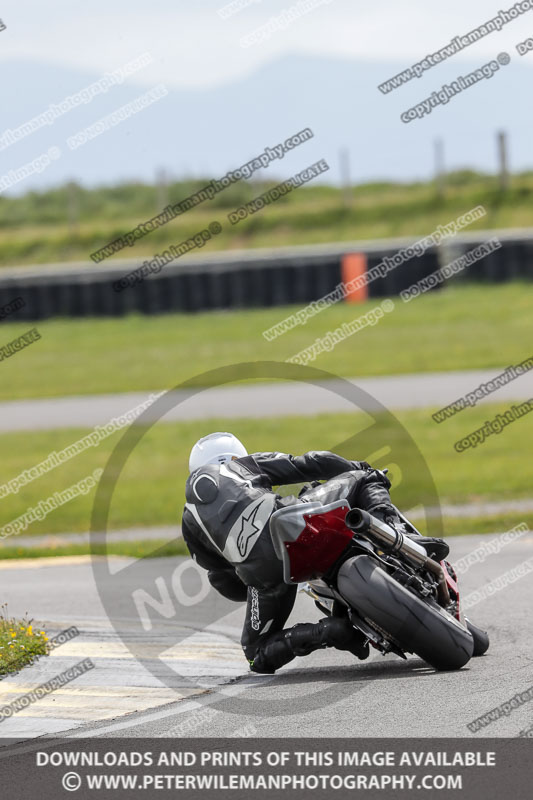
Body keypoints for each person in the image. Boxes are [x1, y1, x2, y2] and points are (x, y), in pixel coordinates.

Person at [181, 432, 449, 675]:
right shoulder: (241, 464)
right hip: (294, 522)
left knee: (255, 655)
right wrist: (357, 467)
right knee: (366, 477)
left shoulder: (189, 519)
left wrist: (253, 585)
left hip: (262, 575)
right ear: (235, 455)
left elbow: (220, 577)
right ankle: (402, 537)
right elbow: (309, 463)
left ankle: (328, 632)